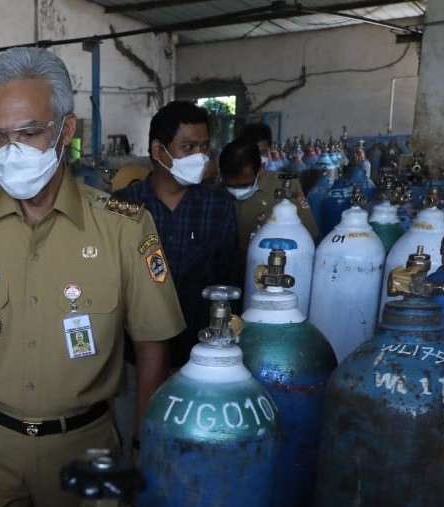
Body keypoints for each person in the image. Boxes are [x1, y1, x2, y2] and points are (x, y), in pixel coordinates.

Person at [0, 47, 184, 507]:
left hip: (85, 445)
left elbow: (152, 347)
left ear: (66, 131)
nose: (10, 151)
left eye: (29, 132)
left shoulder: (122, 228)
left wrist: (139, 451)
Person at [118, 100, 239, 368]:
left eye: (204, 147)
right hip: (133, 359)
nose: (200, 156)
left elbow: (230, 282)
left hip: (200, 358)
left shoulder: (218, 207)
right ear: (158, 150)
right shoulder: (125, 207)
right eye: (188, 147)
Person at [219, 139, 321, 285]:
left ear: (260, 169)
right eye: (231, 186)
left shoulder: (286, 185)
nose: (237, 192)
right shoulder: (217, 192)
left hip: (273, 269)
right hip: (231, 271)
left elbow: (310, 233)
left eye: (245, 185)